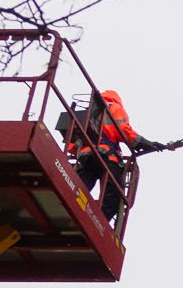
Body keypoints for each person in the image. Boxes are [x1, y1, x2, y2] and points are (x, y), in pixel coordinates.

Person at [64, 89, 159, 224]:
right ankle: (97, 223)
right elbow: (124, 130)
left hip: (86, 156)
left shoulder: (88, 111)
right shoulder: (113, 107)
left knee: (79, 187)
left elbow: (72, 144)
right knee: (114, 194)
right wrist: (145, 142)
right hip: (106, 155)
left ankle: (70, 209)